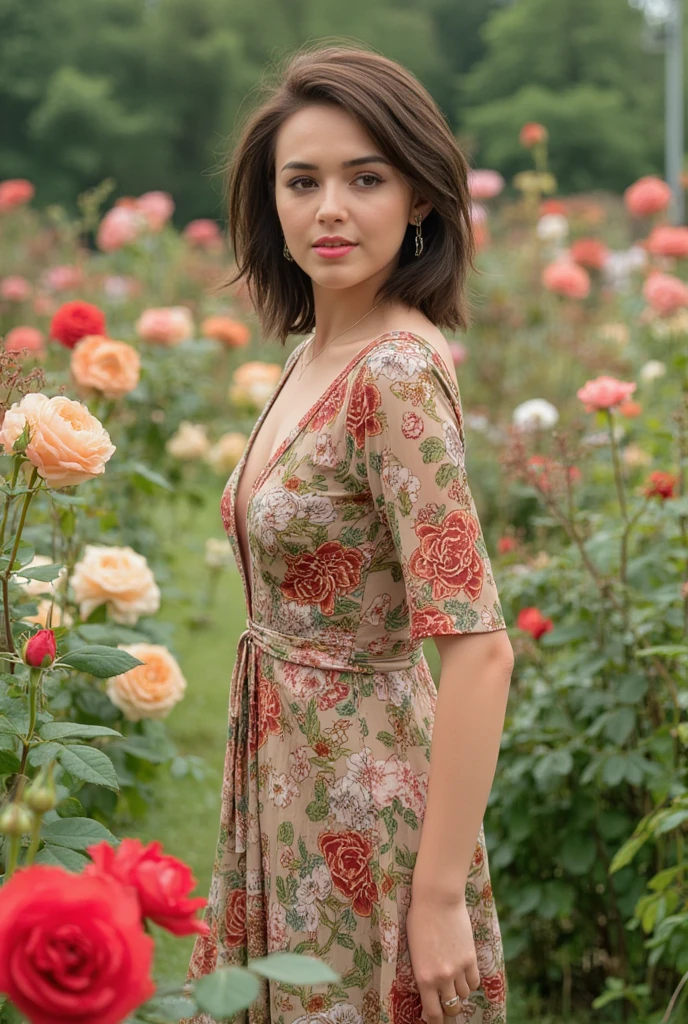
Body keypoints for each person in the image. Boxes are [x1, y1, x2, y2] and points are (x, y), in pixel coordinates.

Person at [183, 42, 514, 1024]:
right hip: (287, 781)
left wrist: (441, 892)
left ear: (418, 198)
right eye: (303, 180)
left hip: (369, 809)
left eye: (364, 178)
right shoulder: (318, 350)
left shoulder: (393, 375)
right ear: (270, 202)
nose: (329, 207)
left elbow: (480, 650)